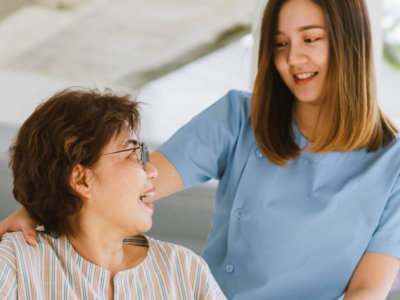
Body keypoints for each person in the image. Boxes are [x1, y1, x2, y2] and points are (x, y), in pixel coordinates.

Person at [2, 0, 400, 299]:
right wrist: (44, 201)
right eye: (279, 44)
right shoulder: (239, 117)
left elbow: (366, 291)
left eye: (310, 39)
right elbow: (129, 184)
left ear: (353, 44)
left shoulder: (394, 165)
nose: (292, 59)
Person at [0, 88, 226, 299]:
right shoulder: (15, 263)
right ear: (81, 179)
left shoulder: (186, 271)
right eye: (133, 154)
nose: (153, 170)